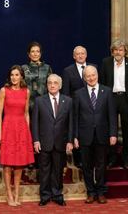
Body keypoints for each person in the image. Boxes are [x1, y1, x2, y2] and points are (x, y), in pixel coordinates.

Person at [73, 65, 117, 204]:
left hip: (102, 134)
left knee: (101, 165)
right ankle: (91, 192)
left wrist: (113, 133)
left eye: (93, 75)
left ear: (97, 75)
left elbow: (112, 115)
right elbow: (75, 117)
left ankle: (101, 192)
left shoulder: (107, 91)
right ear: (84, 78)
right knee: (86, 166)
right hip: (85, 136)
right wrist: (75, 136)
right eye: (88, 76)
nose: (91, 78)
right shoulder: (78, 94)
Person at [32, 74, 74, 207]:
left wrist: (70, 141)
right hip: (44, 142)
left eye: (55, 83)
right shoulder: (39, 101)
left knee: (58, 170)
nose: (52, 85)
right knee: (44, 170)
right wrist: (36, 140)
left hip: (61, 142)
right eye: (50, 83)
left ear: (60, 85)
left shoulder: (68, 101)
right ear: (47, 85)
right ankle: (44, 195)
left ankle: (57, 194)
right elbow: (35, 123)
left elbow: (71, 123)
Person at [0, 65, 34, 206]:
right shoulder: (3, 90)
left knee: (19, 164)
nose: (14, 77)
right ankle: (9, 195)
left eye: (17, 75)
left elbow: (26, 113)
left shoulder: (26, 91)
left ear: (21, 76)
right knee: (7, 164)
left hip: (21, 129)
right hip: (8, 128)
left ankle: (17, 194)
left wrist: (28, 131)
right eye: (12, 75)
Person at [100, 39, 128, 169]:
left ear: (125, 51)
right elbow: (102, 83)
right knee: (111, 130)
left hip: (126, 100)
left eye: (121, 50)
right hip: (110, 99)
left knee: (126, 130)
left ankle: (126, 159)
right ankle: (111, 159)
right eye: (116, 50)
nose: (118, 52)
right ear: (112, 51)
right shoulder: (106, 63)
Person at [61, 45, 95, 168]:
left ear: (86, 55)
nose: (80, 56)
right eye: (78, 54)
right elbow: (65, 92)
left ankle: (91, 157)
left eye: (82, 53)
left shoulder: (93, 68)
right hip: (75, 107)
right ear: (74, 56)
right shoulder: (68, 71)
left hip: (92, 106)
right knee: (76, 131)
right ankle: (78, 158)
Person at [22, 41, 53, 113]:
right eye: (32, 51)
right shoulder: (24, 68)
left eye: (37, 51)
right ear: (28, 54)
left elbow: (51, 86)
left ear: (40, 54)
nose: (35, 54)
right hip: (27, 105)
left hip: (44, 104)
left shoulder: (47, 68)